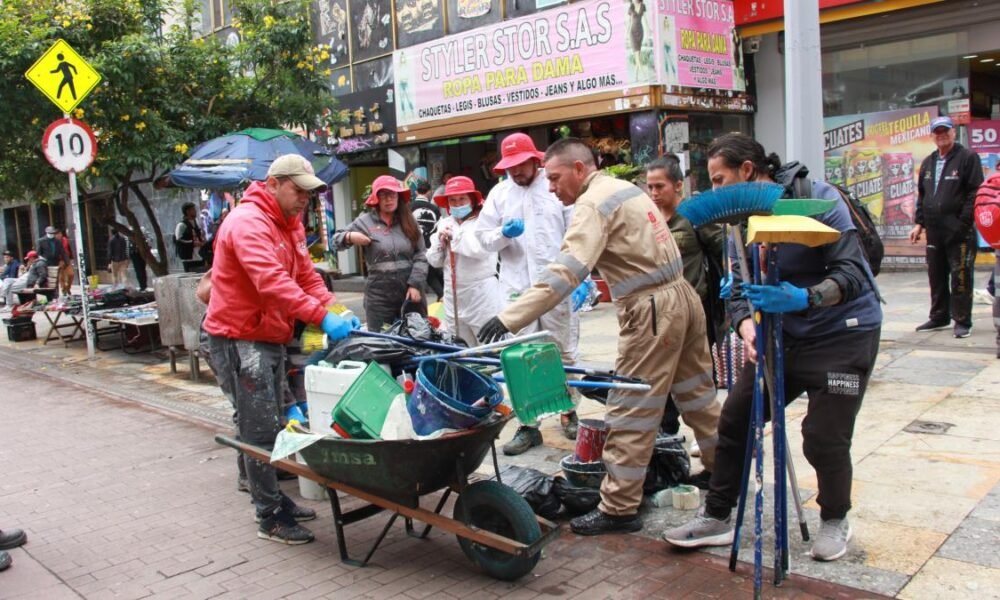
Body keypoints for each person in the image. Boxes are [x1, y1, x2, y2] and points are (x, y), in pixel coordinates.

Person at [479, 138, 721, 535]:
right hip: (682, 297)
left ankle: (619, 508)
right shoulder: (624, 189)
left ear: (579, 169)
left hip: (652, 309)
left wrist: (510, 318)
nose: (551, 186)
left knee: (630, 409)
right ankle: (721, 473)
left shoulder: (591, 203)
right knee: (699, 394)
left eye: (555, 177)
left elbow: (565, 272)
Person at [662, 133, 882, 562]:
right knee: (737, 417)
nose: (716, 191)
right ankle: (718, 517)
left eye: (719, 179)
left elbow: (853, 273)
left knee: (823, 436)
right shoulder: (738, 221)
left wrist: (806, 297)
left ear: (747, 171)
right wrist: (745, 324)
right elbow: (738, 290)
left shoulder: (818, 199)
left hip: (843, 336)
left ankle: (835, 518)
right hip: (781, 339)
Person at [203, 154, 359, 545]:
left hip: (269, 336)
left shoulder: (288, 224)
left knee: (276, 425)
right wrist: (320, 318)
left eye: (310, 193)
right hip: (240, 338)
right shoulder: (247, 223)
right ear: (273, 184)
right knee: (257, 431)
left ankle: (277, 500)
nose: (305, 199)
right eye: (299, 190)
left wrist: (334, 308)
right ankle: (269, 515)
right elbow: (272, 282)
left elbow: (306, 276)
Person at [475, 132, 581, 454]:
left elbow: (576, 233)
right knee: (520, 358)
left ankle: (569, 411)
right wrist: (502, 235)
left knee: (563, 351)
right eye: (510, 167)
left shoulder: (554, 188)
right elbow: (483, 237)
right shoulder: (499, 195)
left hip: (556, 285)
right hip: (516, 289)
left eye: (521, 165)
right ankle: (528, 424)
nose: (516, 172)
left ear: (535, 160)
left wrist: (580, 277)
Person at [645, 156, 725, 460]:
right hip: (660, 313)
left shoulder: (694, 215)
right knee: (661, 375)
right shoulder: (649, 219)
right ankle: (666, 434)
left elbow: (723, 249)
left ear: (678, 185)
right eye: (649, 186)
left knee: (700, 375)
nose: (653, 193)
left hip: (697, 310)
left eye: (660, 186)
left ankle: (706, 434)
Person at [910, 116, 984, 338]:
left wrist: (963, 222)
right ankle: (939, 316)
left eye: (946, 131)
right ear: (932, 135)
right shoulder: (929, 162)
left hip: (959, 231)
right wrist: (919, 223)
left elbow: (975, 192)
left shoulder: (968, 157)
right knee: (936, 274)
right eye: (937, 132)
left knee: (960, 275)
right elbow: (923, 196)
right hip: (934, 229)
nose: (941, 135)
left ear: (954, 132)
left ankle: (962, 321)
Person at [334, 175, 429, 332]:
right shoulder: (364, 222)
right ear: (376, 198)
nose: (388, 199)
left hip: (410, 292)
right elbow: (335, 240)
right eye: (383, 195)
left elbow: (421, 255)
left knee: (417, 339)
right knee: (381, 343)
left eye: (392, 194)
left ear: (398, 196)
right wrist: (350, 237)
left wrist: (415, 285)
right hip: (378, 296)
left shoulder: (409, 221)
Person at [426, 176, 502, 345]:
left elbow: (480, 250)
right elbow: (434, 261)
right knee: (460, 345)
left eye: (462, 199)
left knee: (490, 344)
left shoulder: (484, 221)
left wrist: (456, 237)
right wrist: (440, 240)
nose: (458, 204)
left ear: (472, 200)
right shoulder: (444, 223)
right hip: (452, 294)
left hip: (481, 293)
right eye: (453, 200)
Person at [410, 180, 444, 301]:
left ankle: (442, 295)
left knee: (429, 274)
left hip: (413, 248)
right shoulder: (434, 209)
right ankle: (443, 295)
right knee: (433, 272)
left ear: (416, 192)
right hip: (431, 246)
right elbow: (440, 228)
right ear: (429, 192)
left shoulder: (409, 208)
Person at [175, 202, 206, 271]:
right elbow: (178, 241)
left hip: (200, 256)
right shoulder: (181, 225)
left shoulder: (196, 222)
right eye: (193, 209)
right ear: (188, 211)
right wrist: (192, 243)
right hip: (188, 258)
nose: (195, 211)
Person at [129, 227, 150, 291]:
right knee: (140, 271)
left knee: (140, 271)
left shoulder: (142, 238)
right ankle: (143, 285)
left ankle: (143, 285)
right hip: (135, 255)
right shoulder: (131, 239)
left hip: (138, 255)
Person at [54, 229, 74, 296]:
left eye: (59, 233)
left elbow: (69, 249)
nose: (58, 235)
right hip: (59, 260)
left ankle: (68, 288)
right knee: (61, 276)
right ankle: (63, 289)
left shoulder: (65, 240)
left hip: (67, 259)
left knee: (71, 274)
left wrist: (71, 258)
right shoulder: (54, 242)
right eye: (57, 234)